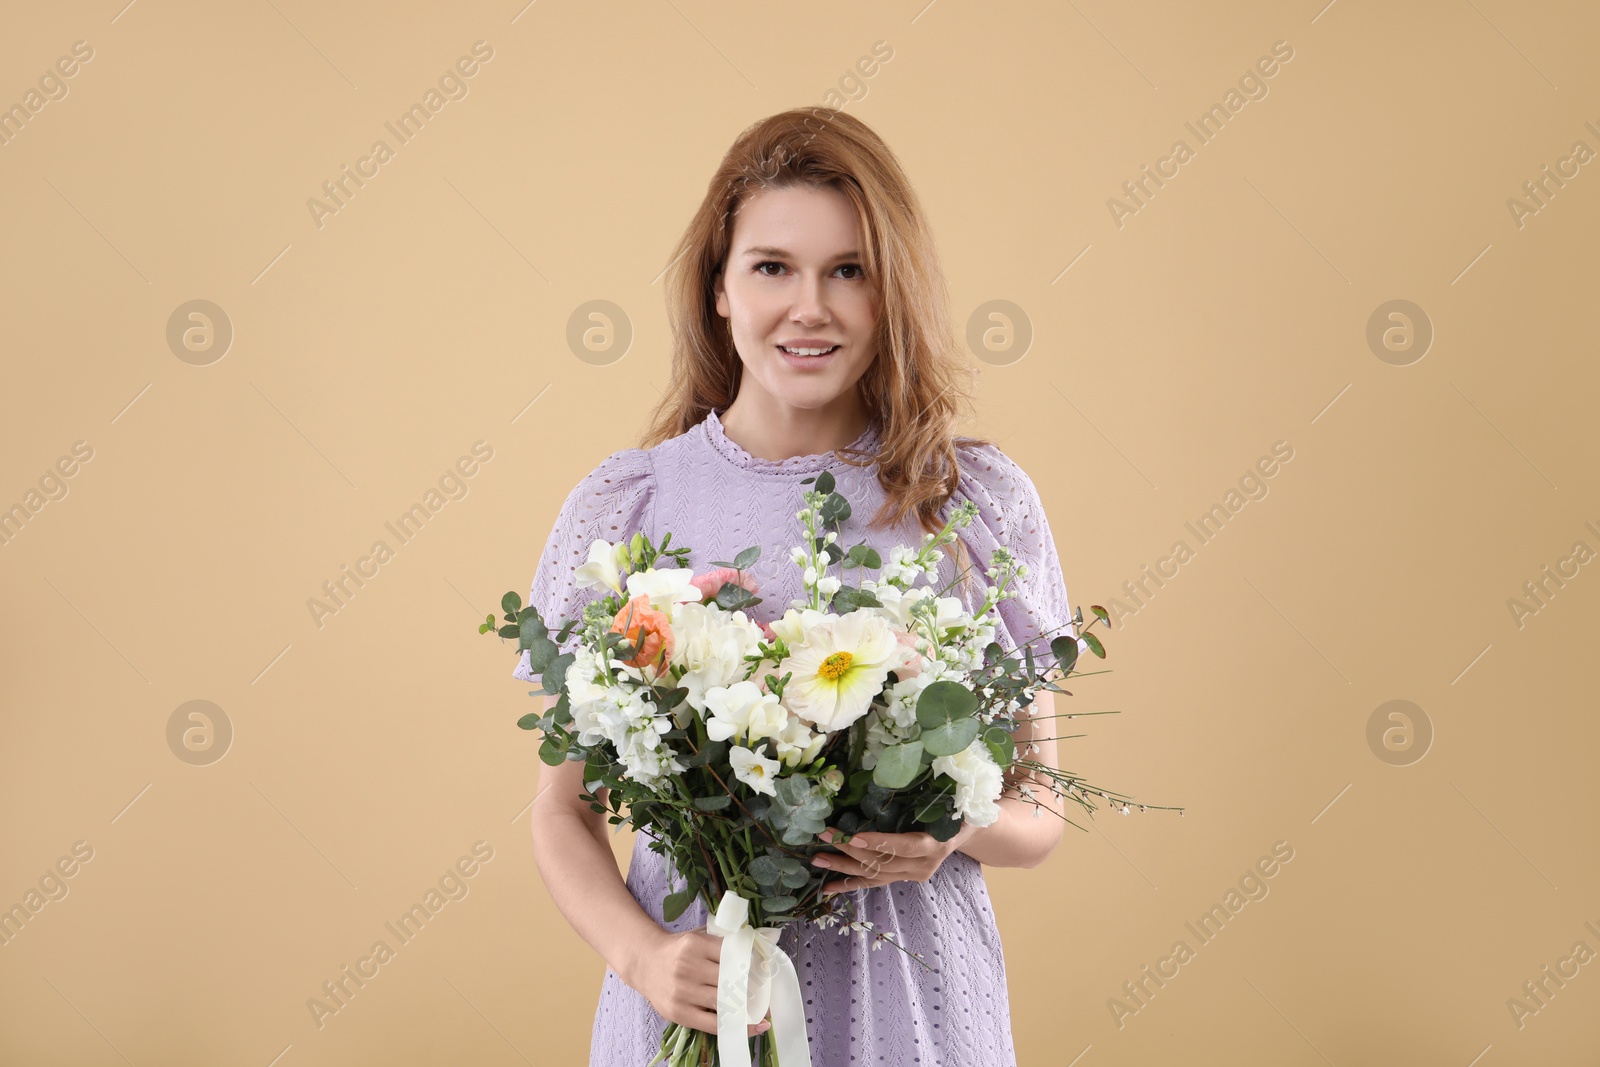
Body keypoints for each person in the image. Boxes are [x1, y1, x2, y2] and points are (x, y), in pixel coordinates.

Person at [517, 108, 1081, 1066]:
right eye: (772, 266)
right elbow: (561, 807)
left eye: (848, 270)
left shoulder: (973, 502)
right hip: (700, 997)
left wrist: (956, 827)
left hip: (913, 996)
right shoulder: (629, 507)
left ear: (890, 292)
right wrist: (645, 957)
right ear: (721, 290)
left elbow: (1043, 812)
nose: (809, 307)